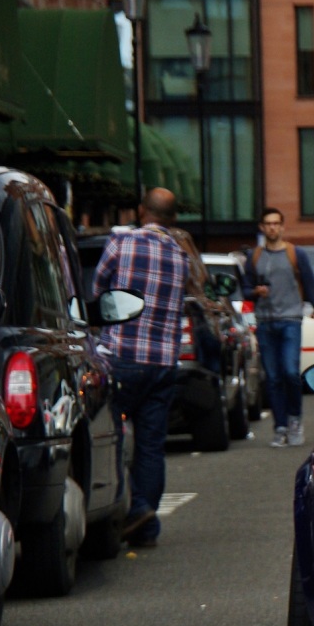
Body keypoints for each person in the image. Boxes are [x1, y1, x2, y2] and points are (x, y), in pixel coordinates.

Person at [92, 188, 190, 548]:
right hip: (163, 362)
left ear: (140, 211)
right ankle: (146, 524)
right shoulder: (180, 257)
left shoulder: (124, 244)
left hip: (124, 355)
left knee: (113, 436)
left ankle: (131, 510)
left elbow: (98, 288)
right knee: (151, 444)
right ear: (173, 218)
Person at [243, 207, 314, 448]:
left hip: (291, 319)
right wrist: (255, 292)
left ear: (282, 227)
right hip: (265, 322)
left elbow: (312, 287)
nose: (272, 228)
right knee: (272, 377)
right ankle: (280, 426)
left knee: (291, 372)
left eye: (276, 224)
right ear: (262, 228)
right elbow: (245, 289)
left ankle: (295, 420)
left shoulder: (296, 254)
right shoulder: (254, 256)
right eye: (267, 224)